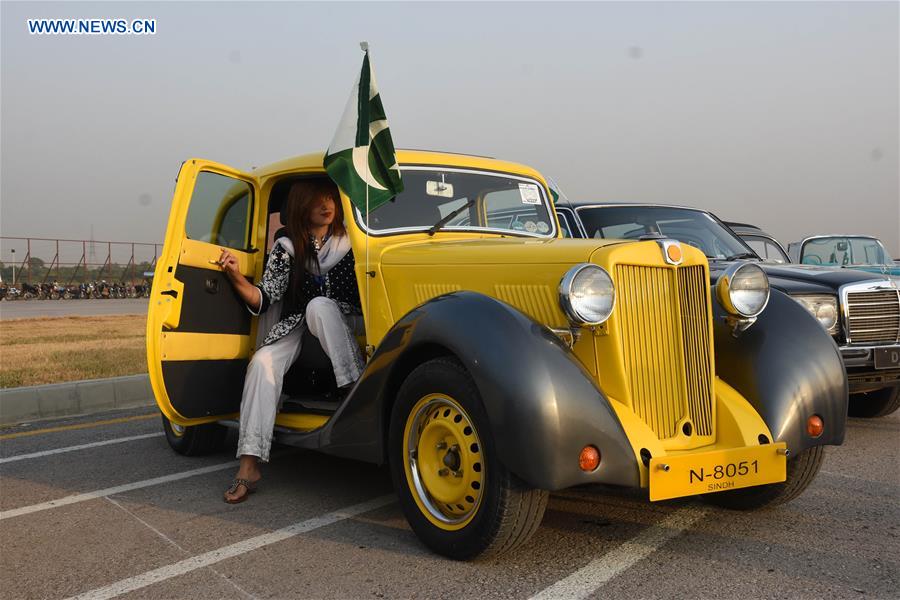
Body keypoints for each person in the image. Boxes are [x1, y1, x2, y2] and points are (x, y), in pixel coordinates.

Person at [217, 179, 365, 504]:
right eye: (317, 200)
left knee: (320, 306)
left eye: (331, 198)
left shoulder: (356, 240)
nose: (327, 205)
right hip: (300, 322)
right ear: (301, 206)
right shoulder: (287, 246)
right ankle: (249, 465)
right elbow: (263, 298)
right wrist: (235, 276)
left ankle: (356, 387)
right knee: (262, 363)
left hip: (353, 319)